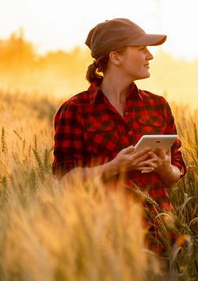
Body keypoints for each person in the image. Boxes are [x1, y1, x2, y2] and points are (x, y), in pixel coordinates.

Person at [51, 18, 187, 255]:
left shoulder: (158, 105)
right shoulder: (76, 109)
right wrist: (115, 166)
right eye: (142, 49)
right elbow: (64, 180)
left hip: (161, 240)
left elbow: (176, 172)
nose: (150, 56)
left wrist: (165, 168)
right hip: (105, 245)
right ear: (116, 57)